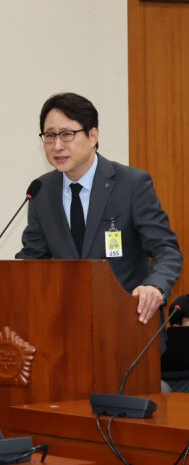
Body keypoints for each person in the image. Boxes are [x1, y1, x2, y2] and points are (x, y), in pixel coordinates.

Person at [16, 92, 182, 325]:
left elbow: (167, 250)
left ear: (92, 136)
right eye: (50, 136)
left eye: (66, 134)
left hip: (129, 324)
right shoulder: (41, 191)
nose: (57, 145)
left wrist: (155, 286)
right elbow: (33, 260)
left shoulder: (131, 184)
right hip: (67, 327)